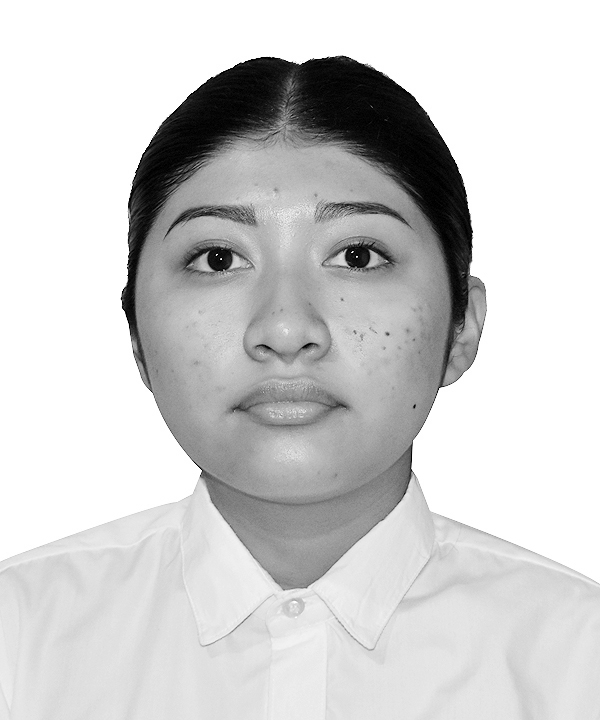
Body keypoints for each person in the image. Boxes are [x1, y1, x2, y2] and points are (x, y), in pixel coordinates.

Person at [0, 56, 598, 719]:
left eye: (357, 256)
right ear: (136, 333)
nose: (285, 329)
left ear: (463, 326)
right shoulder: (17, 640)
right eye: (218, 259)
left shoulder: (578, 660)